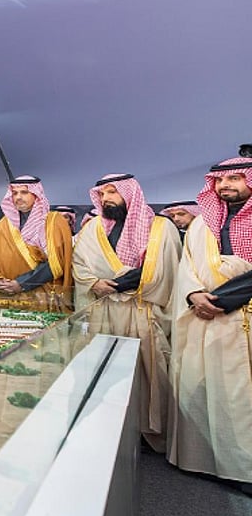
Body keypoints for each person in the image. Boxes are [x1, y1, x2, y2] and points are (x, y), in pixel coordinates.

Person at [73, 173, 180, 452]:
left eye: (112, 192)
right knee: (103, 371)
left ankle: (145, 433)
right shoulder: (93, 229)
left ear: (129, 193)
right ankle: (104, 429)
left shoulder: (161, 228)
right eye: (102, 194)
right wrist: (94, 283)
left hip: (140, 311)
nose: (106, 198)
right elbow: (79, 264)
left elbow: (163, 269)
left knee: (145, 373)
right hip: (103, 312)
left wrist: (116, 285)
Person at [168, 158, 252, 488]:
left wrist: (220, 300)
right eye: (219, 180)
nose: (224, 185)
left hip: (241, 316)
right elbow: (186, 266)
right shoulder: (202, 224)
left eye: (235, 178)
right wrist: (193, 294)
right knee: (212, 393)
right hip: (208, 321)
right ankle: (208, 461)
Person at [0, 176, 74, 312]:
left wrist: (21, 283)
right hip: (4, 298)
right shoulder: (4, 223)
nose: (18, 197)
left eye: (24, 192)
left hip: (40, 297)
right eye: (15, 193)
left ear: (36, 194)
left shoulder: (53, 221)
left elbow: (56, 262)